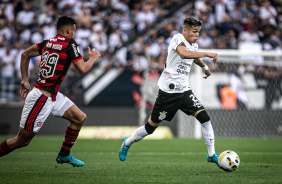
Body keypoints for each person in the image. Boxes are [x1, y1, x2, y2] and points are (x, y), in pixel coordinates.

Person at [0, 16, 101, 167]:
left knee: (79, 118)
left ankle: (64, 155)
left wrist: (25, 80)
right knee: (22, 141)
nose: (73, 34)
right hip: (41, 97)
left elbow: (24, 54)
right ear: (68, 30)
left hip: (51, 94)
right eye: (73, 31)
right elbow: (81, 69)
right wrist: (92, 59)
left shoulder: (48, 42)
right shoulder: (69, 43)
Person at [119, 17, 220, 167]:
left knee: (205, 118)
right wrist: (207, 54)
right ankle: (127, 142)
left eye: (198, 32)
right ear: (185, 30)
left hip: (184, 91)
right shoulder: (177, 38)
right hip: (168, 93)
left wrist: (204, 67)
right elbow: (184, 54)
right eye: (194, 32)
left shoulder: (194, 46)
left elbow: (194, 57)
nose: (196, 35)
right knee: (150, 128)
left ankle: (211, 155)